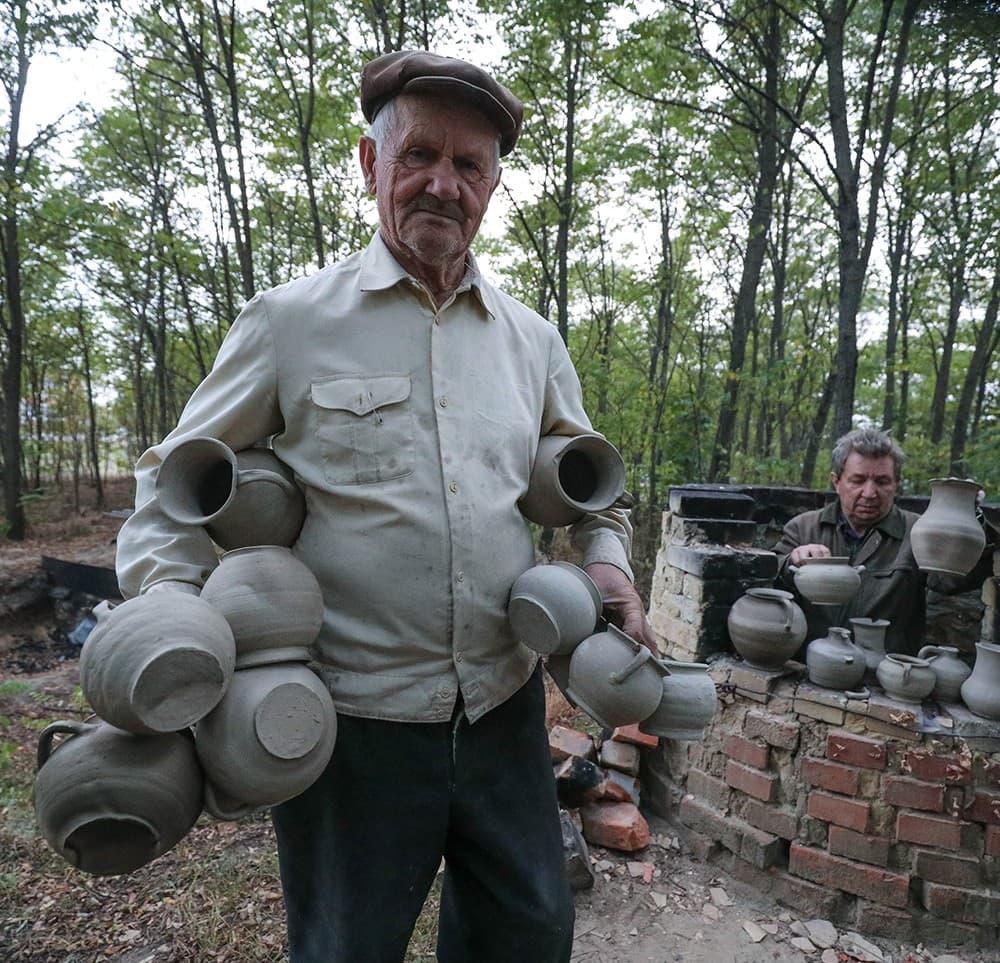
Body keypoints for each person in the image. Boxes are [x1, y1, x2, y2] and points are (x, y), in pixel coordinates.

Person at [115, 50, 654, 963]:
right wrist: (175, 623)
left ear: (492, 185)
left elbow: (596, 484)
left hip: (502, 710)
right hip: (350, 728)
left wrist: (608, 562)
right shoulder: (290, 323)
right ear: (371, 165)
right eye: (420, 156)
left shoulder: (533, 340)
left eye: (470, 165)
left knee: (527, 935)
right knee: (345, 948)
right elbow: (169, 488)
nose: (444, 184)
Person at [773, 427, 996, 657]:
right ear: (836, 481)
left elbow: (954, 580)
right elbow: (768, 581)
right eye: (857, 480)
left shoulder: (919, 532)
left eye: (882, 482)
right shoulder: (803, 528)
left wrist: (973, 521)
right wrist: (793, 562)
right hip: (809, 666)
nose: (869, 493)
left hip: (887, 676)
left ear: (897, 484)